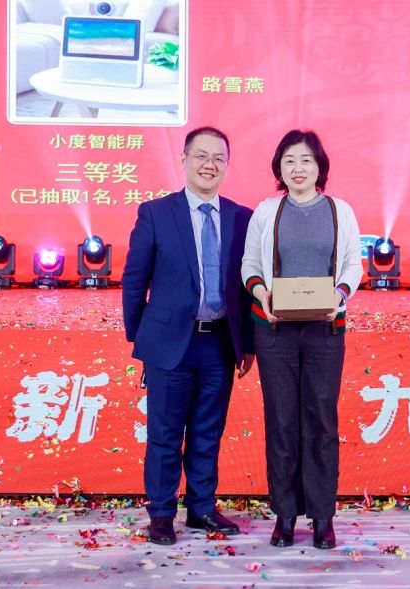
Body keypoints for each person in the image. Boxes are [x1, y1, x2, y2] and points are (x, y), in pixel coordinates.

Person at [122, 126, 255, 546]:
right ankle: (162, 513)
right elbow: (134, 281)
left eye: (218, 158)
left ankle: (201, 508)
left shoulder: (241, 217)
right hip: (169, 345)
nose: (209, 165)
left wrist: (247, 343)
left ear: (227, 165)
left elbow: (246, 286)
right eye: (201, 155)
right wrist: (141, 339)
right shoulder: (156, 213)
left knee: (207, 431)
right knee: (164, 434)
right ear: (184, 160)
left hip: (219, 343)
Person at [241, 129, 362, 549]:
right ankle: (286, 514)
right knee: (281, 421)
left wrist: (340, 296)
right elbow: (250, 263)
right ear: (279, 167)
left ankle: (323, 516)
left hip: (325, 330)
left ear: (319, 167)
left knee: (321, 420)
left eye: (306, 160)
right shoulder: (266, 211)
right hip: (274, 331)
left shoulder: (340, 211)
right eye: (289, 160)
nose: (298, 168)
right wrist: (262, 293)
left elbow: (353, 264)